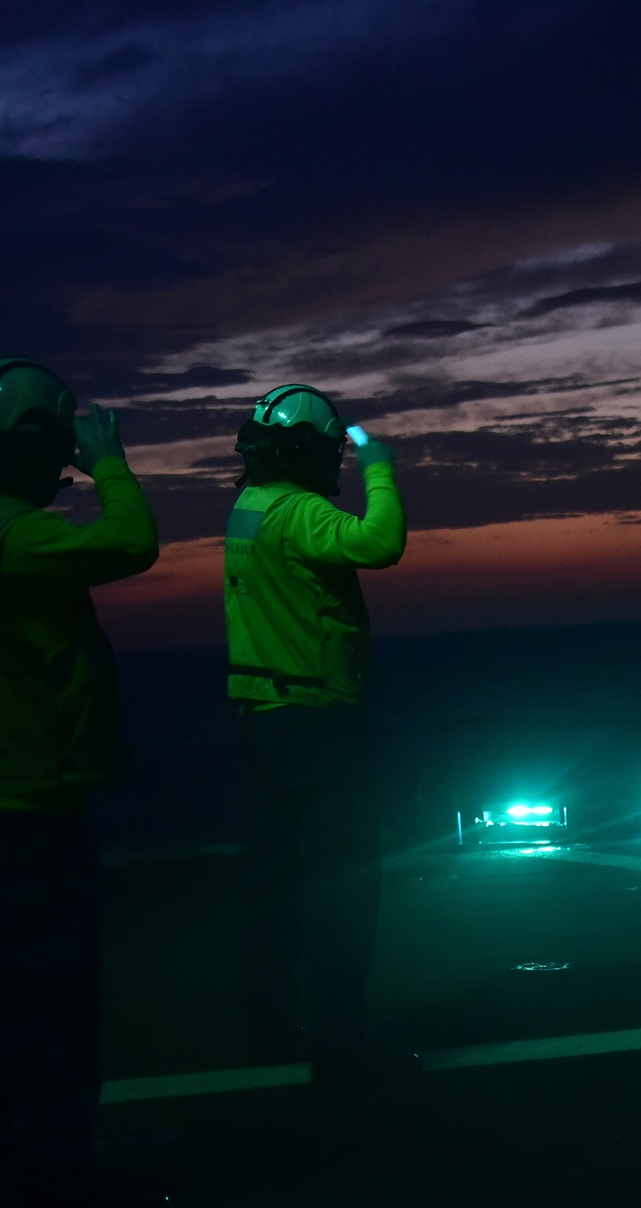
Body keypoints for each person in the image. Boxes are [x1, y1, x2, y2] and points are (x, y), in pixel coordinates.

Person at [0, 355, 164, 1208]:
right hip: (30, 807)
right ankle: (60, 1183)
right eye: (56, 448)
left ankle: (2, 1158)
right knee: (53, 999)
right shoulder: (17, 537)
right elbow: (132, 544)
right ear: (27, 446)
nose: (64, 466)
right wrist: (113, 465)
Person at [224, 383, 408, 1084]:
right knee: (344, 886)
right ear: (307, 453)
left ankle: (269, 1028)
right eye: (333, 450)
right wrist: (381, 469)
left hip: (261, 717)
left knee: (275, 884)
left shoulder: (247, 509)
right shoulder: (300, 513)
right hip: (316, 720)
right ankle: (341, 1047)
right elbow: (380, 542)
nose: (339, 462)